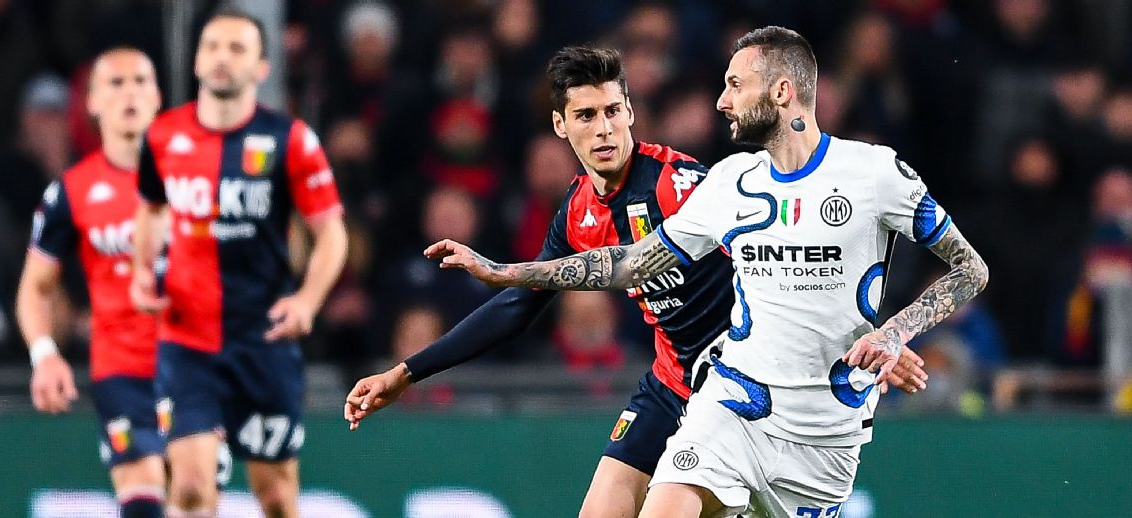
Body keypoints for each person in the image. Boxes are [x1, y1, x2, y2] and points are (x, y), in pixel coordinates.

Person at [422, 27, 988, 517]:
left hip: (824, 430)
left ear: (783, 92)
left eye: (735, 85)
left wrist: (895, 331)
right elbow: (630, 265)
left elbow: (970, 269)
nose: (721, 102)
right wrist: (506, 271)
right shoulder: (730, 183)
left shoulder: (874, 174)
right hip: (730, 401)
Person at [129, 10, 348, 517]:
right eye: (212, 47)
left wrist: (308, 301)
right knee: (188, 487)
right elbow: (152, 209)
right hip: (188, 340)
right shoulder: (162, 137)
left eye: (236, 49)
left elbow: (331, 233)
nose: (222, 59)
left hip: (263, 339)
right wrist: (143, 272)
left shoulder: (290, 141)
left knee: (274, 496)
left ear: (262, 67)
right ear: (197, 60)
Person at [15, 47, 169, 518]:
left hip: (193, 364)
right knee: (141, 491)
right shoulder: (71, 191)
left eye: (140, 81)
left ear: (158, 96)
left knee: (192, 494)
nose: (130, 93)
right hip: (120, 368)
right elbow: (34, 287)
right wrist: (44, 355)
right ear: (92, 102)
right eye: (116, 84)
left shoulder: (196, 180)